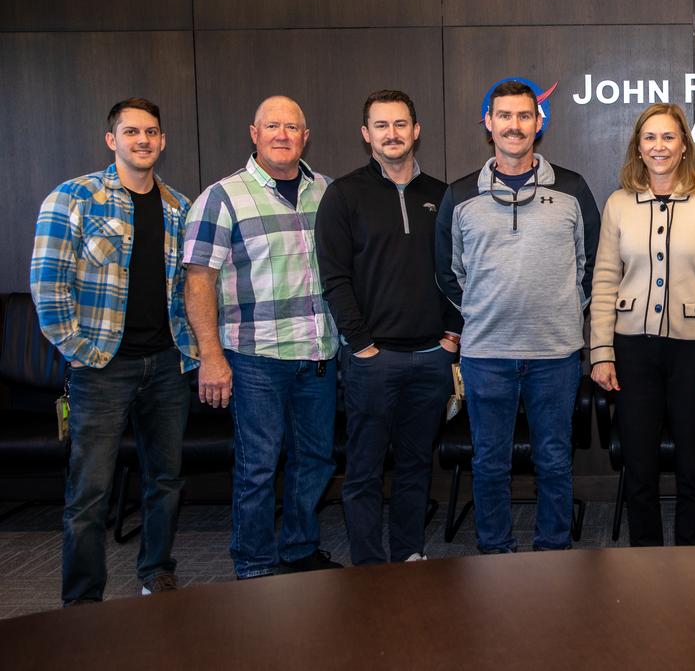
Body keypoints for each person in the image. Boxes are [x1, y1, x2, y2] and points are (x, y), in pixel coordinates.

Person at [31, 98, 197, 604]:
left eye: (151, 132)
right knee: (89, 492)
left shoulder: (178, 207)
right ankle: (83, 598)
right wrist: (78, 349)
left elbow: (187, 289)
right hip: (102, 368)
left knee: (165, 479)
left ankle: (157, 571)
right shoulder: (73, 197)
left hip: (167, 365)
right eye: (131, 132)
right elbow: (46, 283)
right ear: (112, 140)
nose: (142, 140)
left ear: (163, 141)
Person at [436, 79, 600, 553]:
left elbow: (590, 265)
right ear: (488, 123)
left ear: (538, 123)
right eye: (504, 116)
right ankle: (495, 551)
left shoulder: (571, 188)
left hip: (556, 353)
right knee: (490, 461)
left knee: (553, 458)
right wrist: (487, 309)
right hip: (486, 355)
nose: (514, 125)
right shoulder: (460, 194)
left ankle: (553, 550)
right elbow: (448, 274)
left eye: (524, 116)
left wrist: (564, 308)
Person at [184, 95, 343, 578]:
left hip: (319, 354)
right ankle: (253, 563)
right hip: (255, 358)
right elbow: (197, 282)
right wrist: (211, 356)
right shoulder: (221, 197)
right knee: (258, 467)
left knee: (314, 461)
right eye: (271, 126)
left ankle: (299, 549)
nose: (282, 135)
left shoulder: (328, 193)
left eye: (291, 127)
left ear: (305, 135)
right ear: (254, 134)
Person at [316, 90, 459, 565]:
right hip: (372, 361)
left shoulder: (442, 196)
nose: (392, 134)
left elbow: (462, 272)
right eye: (381, 126)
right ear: (366, 135)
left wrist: (451, 337)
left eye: (401, 124)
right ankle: (370, 567)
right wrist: (361, 346)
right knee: (364, 470)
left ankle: (408, 554)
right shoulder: (344, 195)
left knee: (417, 466)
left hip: (431, 358)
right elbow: (334, 277)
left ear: (416, 130)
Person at [590, 102, 695, 547]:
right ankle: (646, 566)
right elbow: (604, 281)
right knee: (640, 466)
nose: (659, 146)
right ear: (638, 147)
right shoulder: (618, 204)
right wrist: (600, 351)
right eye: (650, 138)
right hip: (633, 351)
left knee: (693, 466)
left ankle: (692, 562)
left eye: (668, 137)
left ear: (683, 147)